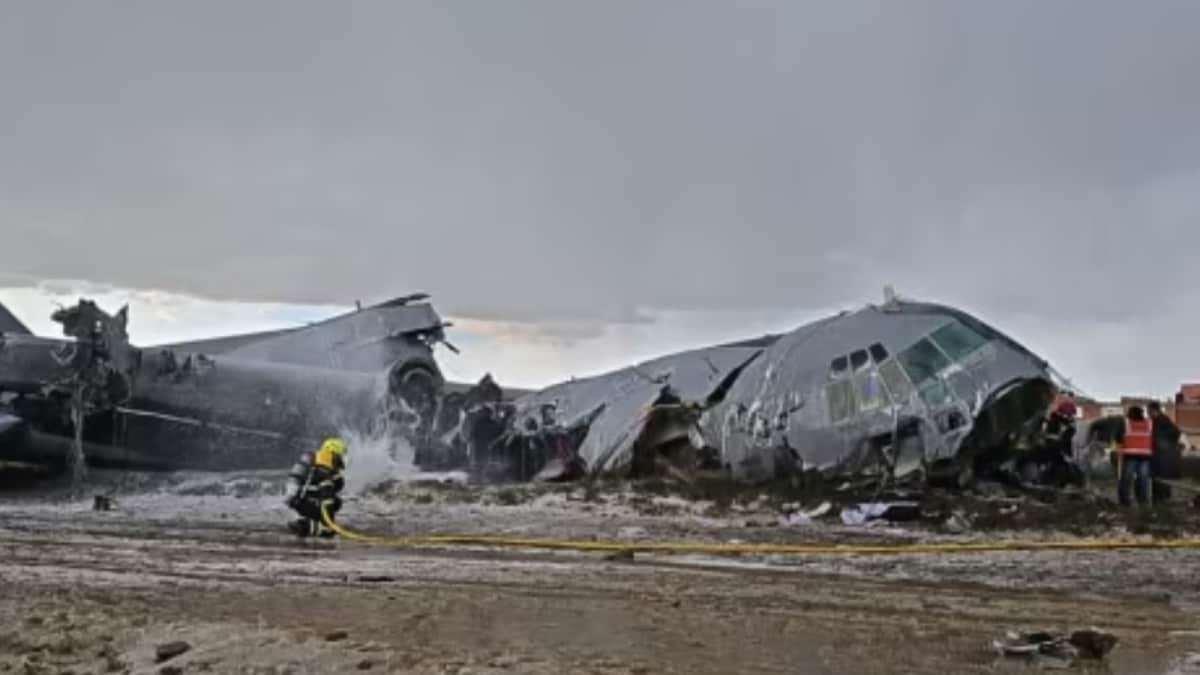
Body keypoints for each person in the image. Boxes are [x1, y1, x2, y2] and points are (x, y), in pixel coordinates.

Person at [285, 437, 348, 538]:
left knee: (336, 502)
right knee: (329, 531)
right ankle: (303, 526)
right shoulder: (324, 460)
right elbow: (326, 486)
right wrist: (329, 519)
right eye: (341, 454)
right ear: (334, 451)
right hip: (302, 499)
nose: (342, 458)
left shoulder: (316, 457)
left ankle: (310, 523)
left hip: (297, 498)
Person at [1116, 406, 1153, 507]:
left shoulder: (1126, 423)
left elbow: (1118, 437)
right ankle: (1142, 501)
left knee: (1126, 480)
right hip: (1145, 457)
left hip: (1130, 456)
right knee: (1143, 480)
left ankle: (1124, 502)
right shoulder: (1149, 423)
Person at [1148, 401, 1182, 502]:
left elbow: (1176, 432)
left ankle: (1160, 499)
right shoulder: (1158, 419)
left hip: (1162, 455)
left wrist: (1163, 443)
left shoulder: (1161, 419)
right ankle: (1162, 498)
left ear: (1154, 410)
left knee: (1159, 476)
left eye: (1149, 411)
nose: (1148, 413)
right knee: (1160, 476)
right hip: (1160, 454)